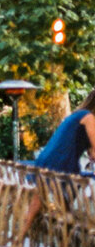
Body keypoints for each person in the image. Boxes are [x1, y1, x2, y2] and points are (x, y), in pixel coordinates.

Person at [21, 90, 95, 235]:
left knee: (37, 206)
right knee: (67, 209)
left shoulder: (76, 115)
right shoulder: (89, 117)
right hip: (63, 163)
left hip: (47, 159)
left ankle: (17, 243)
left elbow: (88, 149)